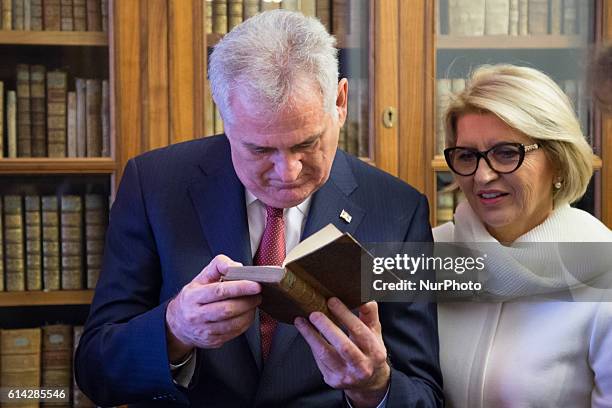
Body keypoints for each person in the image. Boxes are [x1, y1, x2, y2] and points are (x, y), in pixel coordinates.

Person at [74, 10, 443, 407]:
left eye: (306, 144)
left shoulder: (399, 211)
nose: (287, 172)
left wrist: (374, 388)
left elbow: (423, 394)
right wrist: (174, 330)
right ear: (224, 115)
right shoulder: (155, 185)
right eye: (260, 149)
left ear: (340, 102)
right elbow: (96, 372)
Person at [434, 64, 612, 407]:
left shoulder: (603, 270)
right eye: (468, 156)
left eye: (506, 153)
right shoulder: (429, 254)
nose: (482, 176)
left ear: (558, 161)